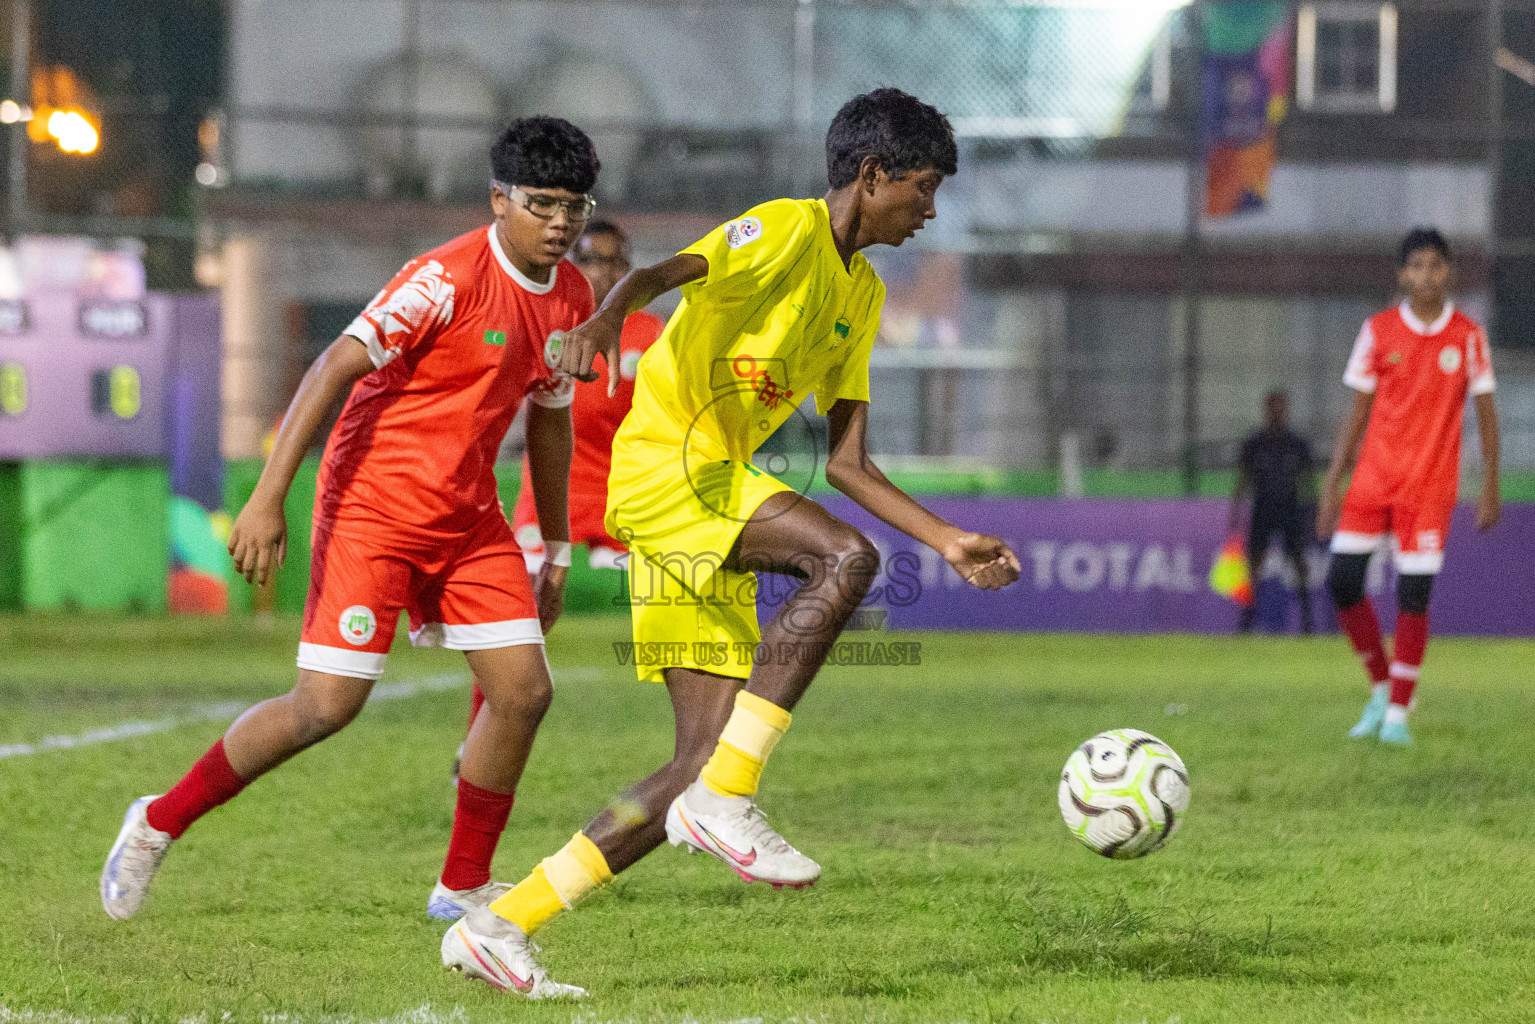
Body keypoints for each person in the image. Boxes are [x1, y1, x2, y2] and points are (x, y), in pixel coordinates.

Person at [440, 88, 1021, 999]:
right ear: (869, 177)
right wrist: (597, 323)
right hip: (669, 465)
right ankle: (729, 796)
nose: (929, 211)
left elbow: (849, 465)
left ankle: (503, 924)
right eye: (921, 188)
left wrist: (946, 539)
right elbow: (657, 276)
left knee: (690, 763)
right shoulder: (785, 230)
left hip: (702, 490)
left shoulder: (860, 294)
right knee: (844, 560)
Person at [100, 117, 599, 930]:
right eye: (542, 204)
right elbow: (334, 364)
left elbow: (550, 420)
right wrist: (267, 497)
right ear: (499, 199)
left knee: (523, 692)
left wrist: (554, 545)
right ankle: (158, 821)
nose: (561, 223)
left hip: (468, 521)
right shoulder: (442, 279)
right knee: (324, 709)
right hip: (373, 508)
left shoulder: (573, 296)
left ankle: (462, 888)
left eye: (574, 206)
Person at [451, 221, 667, 782]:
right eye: (590, 259)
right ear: (572, 263)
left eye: (615, 262)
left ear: (629, 271)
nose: (603, 271)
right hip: (552, 496)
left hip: (627, 502)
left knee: (684, 602)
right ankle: (475, 746)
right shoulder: (550, 319)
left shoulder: (651, 334)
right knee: (516, 619)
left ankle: (701, 756)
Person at [1318, 227, 1500, 746]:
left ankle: (1398, 714)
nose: (1426, 276)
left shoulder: (1467, 336)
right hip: (1372, 482)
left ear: (1448, 272)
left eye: (1435, 266)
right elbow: (1355, 416)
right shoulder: (1377, 330)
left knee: (1414, 596)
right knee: (1342, 582)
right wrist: (1333, 485)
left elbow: (1487, 417)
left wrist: (1489, 485)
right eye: (1415, 267)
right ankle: (1381, 686)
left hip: (1429, 489)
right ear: (1402, 274)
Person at [1228, 390, 1316, 633]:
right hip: (1263, 509)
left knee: (1299, 564)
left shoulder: (1297, 444)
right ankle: (1246, 622)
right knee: (1254, 565)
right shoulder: (1255, 443)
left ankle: (1307, 622)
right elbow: (1243, 479)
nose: (1276, 412)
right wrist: (1235, 511)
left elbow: (1307, 481)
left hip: (1290, 509)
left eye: (1280, 407)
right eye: (1272, 407)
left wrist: (1313, 511)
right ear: (1265, 410)